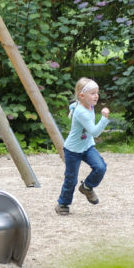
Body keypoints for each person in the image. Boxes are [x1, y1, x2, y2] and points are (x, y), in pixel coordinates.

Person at [55, 78, 110, 216]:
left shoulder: (88, 105)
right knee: (71, 179)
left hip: (87, 146)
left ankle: (87, 187)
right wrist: (104, 118)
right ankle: (63, 204)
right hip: (73, 150)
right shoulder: (81, 112)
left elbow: (74, 106)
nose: (96, 96)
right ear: (82, 96)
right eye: (92, 93)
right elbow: (95, 132)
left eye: (97, 93)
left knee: (100, 167)